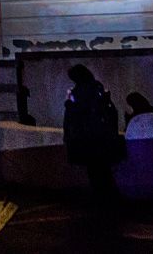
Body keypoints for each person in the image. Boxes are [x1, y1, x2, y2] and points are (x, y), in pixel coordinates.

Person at [62, 64, 123, 205]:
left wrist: (69, 103)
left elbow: (78, 112)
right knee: (101, 169)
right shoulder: (96, 88)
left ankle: (103, 199)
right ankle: (107, 198)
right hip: (99, 136)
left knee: (95, 170)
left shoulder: (81, 92)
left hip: (88, 137)